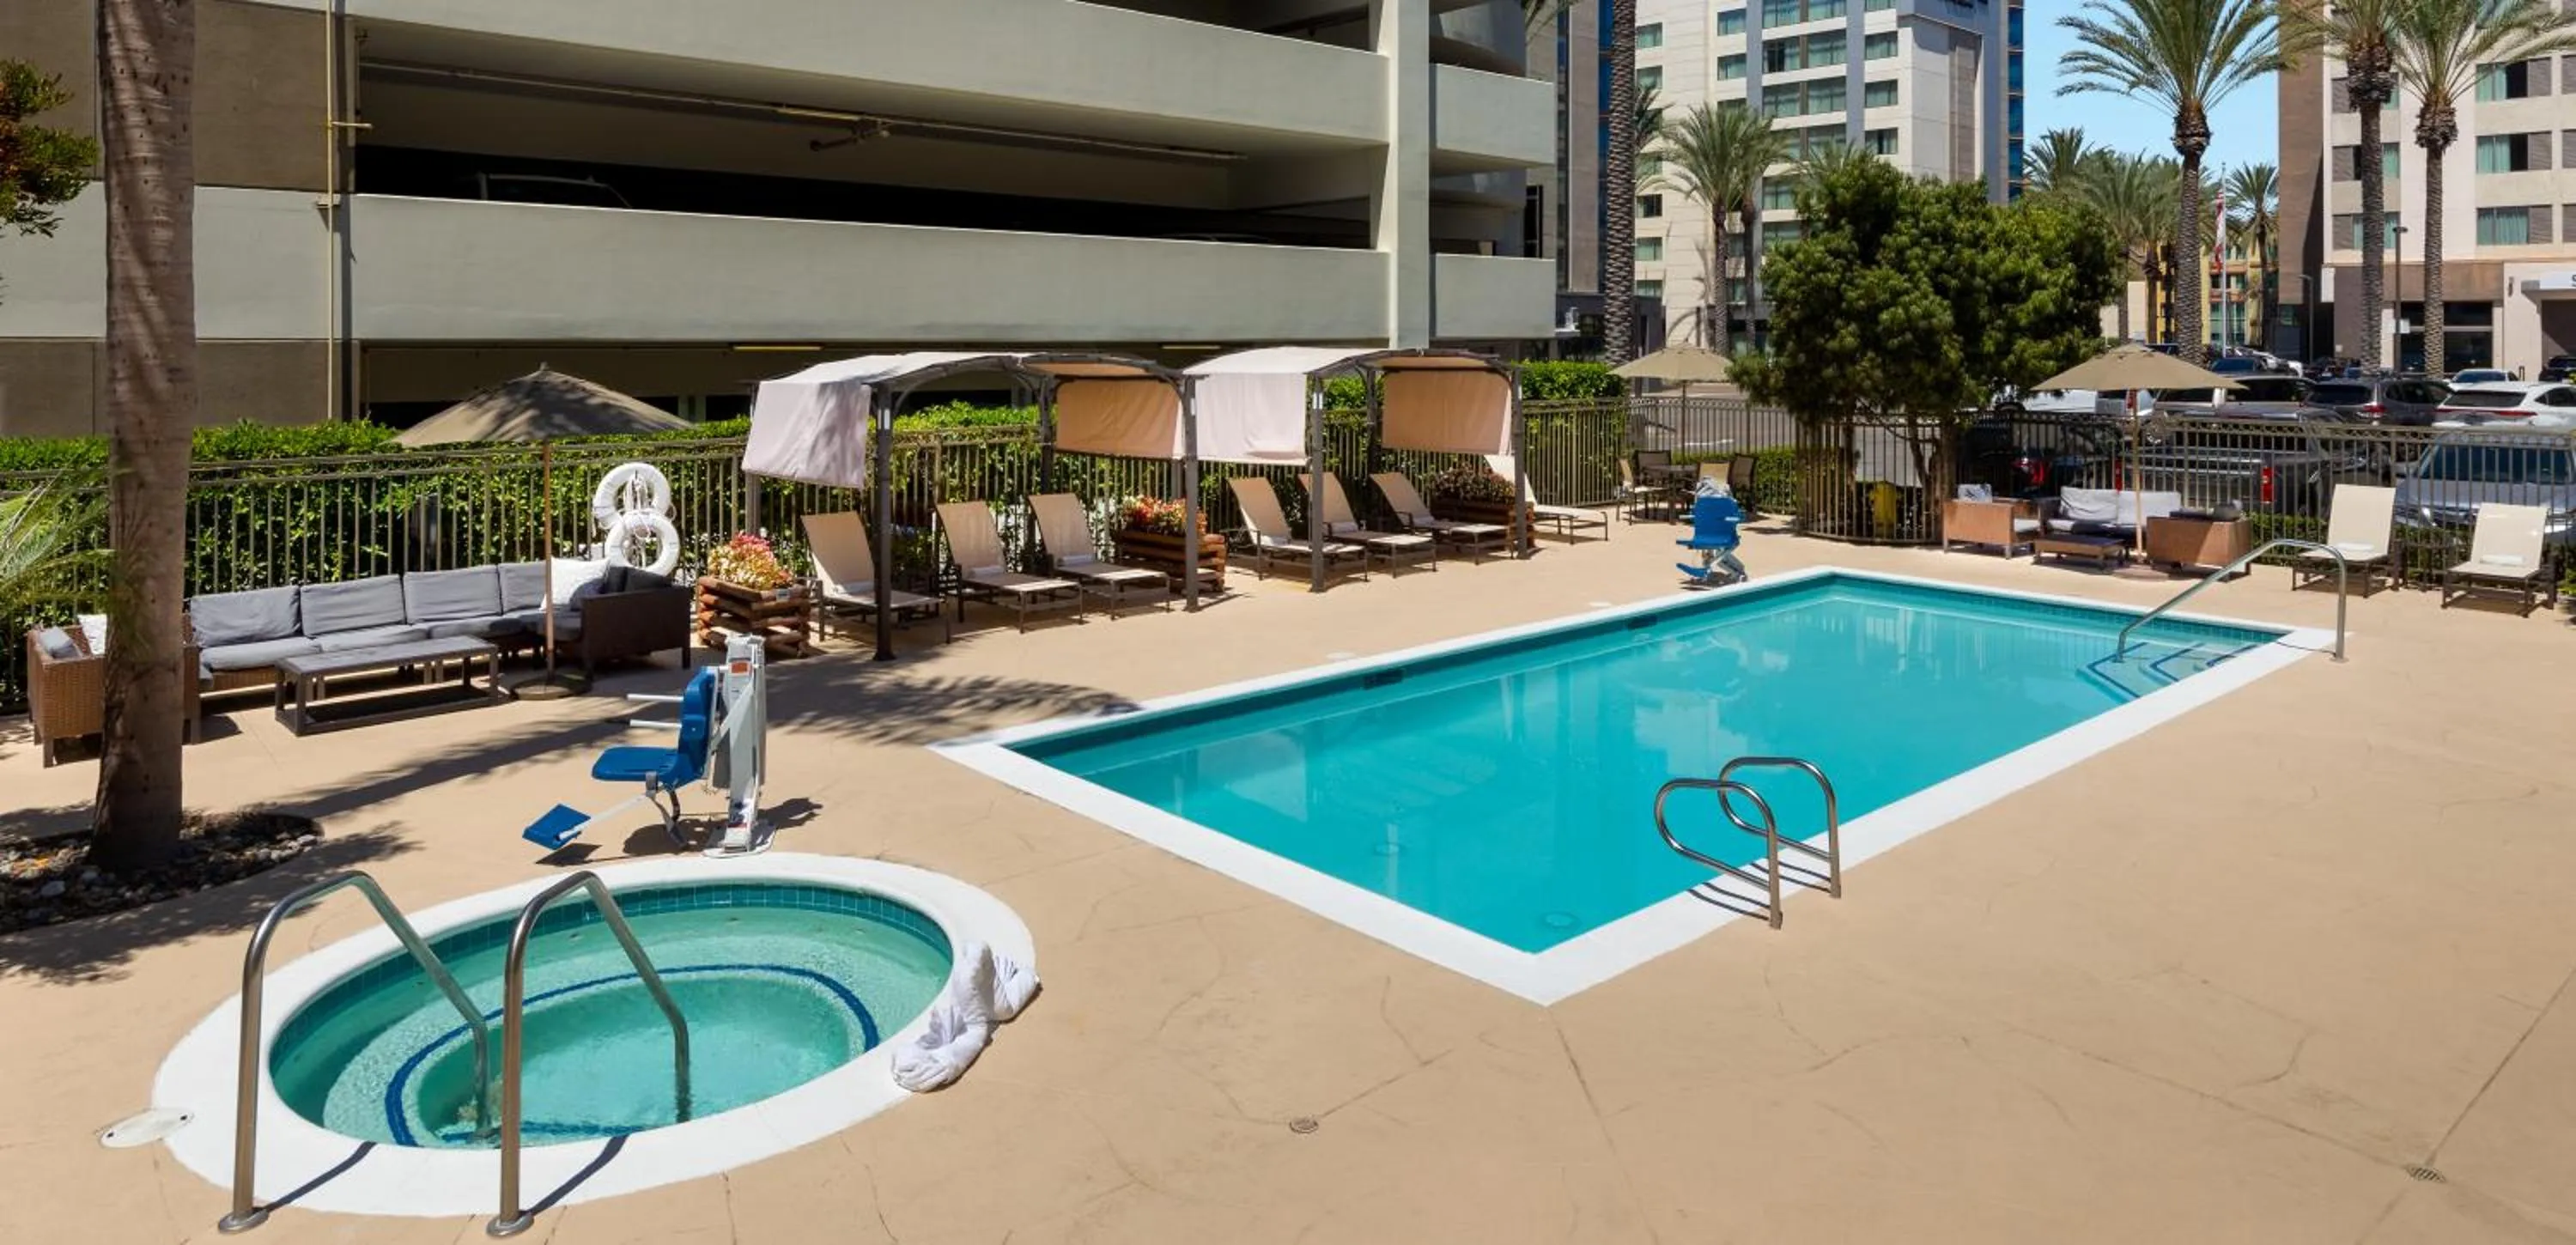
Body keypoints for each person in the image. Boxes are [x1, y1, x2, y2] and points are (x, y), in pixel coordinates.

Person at [1675, 476, 1747, 586]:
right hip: (1724, 537)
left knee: (1717, 551)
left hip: (1712, 537)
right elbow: (1739, 518)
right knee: (1719, 552)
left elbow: (1693, 517)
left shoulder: (1702, 504)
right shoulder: (1728, 503)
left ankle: (1708, 569)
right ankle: (1732, 571)